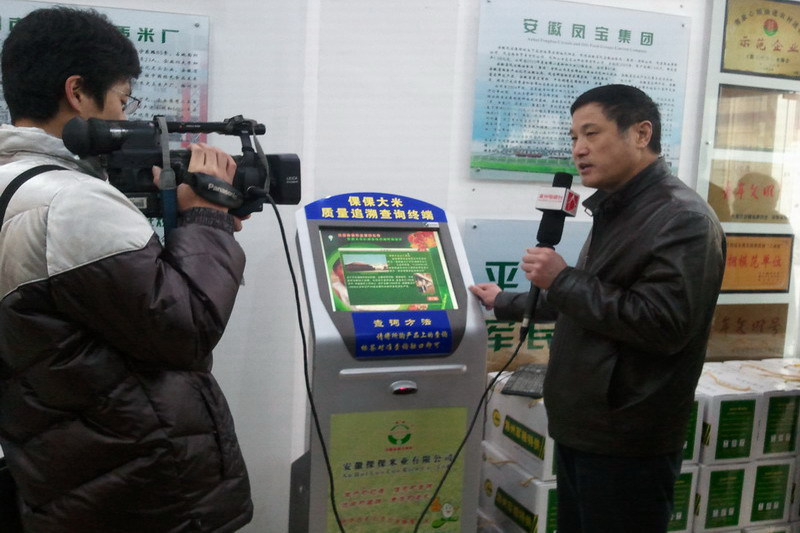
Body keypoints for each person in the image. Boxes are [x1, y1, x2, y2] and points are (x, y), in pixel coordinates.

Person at [0, 7, 253, 532]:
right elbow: (186, 329)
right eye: (122, 98)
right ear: (77, 92)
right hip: (136, 487)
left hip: (64, 465)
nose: (125, 112)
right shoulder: (70, 201)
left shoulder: (15, 183)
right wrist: (208, 219)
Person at [471, 85, 726, 532]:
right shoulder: (621, 207)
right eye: (573, 138)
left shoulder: (682, 218)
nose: (578, 149)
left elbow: (664, 324)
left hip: (627, 435)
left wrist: (562, 279)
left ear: (641, 134)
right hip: (586, 424)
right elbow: (592, 300)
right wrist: (505, 302)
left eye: (591, 134)